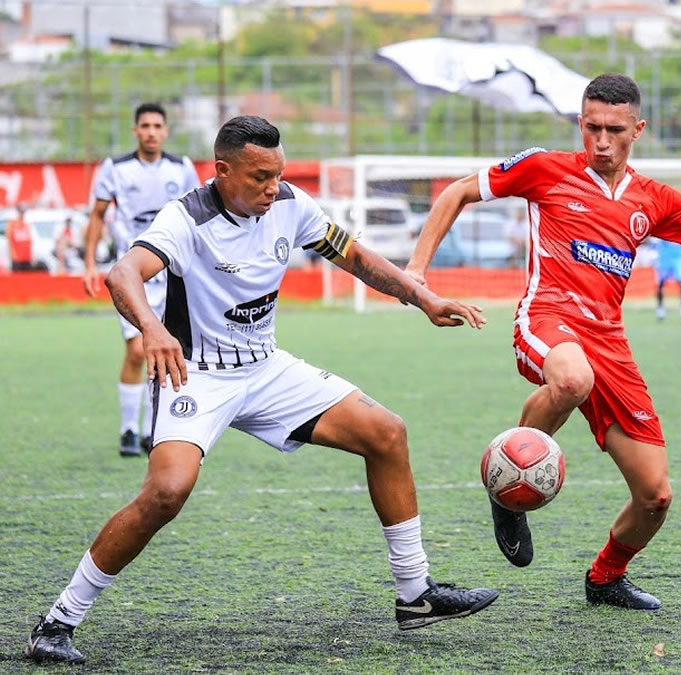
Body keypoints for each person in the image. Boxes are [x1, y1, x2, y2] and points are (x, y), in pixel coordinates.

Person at [25, 116, 498, 665]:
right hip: (196, 375)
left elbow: (358, 258)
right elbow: (124, 273)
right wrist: (153, 330)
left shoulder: (291, 204)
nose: (273, 188)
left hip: (266, 369)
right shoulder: (187, 217)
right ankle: (57, 621)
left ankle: (416, 595)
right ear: (222, 171)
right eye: (259, 177)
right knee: (166, 493)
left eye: (279, 174)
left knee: (386, 432)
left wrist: (423, 297)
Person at [405, 73, 681, 611]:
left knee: (655, 496)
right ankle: (509, 476)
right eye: (591, 127)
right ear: (580, 124)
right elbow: (457, 191)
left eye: (614, 130)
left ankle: (605, 578)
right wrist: (418, 270)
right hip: (548, 317)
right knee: (571, 378)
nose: (600, 141)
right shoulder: (543, 168)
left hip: (610, 343)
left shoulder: (655, 199)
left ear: (638, 129)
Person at [82, 103, 203, 457]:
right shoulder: (115, 169)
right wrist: (90, 263)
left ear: (166, 131)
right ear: (135, 130)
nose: (151, 131)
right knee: (138, 349)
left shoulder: (181, 169)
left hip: (173, 274)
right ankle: (128, 429)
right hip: (132, 274)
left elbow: (198, 219)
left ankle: (153, 429)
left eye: (157, 126)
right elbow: (98, 215)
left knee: (166, 349)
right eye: (145, 125)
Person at [652, 237, 681, 321]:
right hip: (664, 257)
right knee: (660, 283)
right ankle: (660, 309)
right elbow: (654, 241)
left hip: (678, 257)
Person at [7, 204, 34, 272]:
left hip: (26, 257)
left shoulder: (26, 224)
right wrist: (12, 253)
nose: (22, 214)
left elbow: (29, 241)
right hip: (17, 257)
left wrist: (31, 255)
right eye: (21, 212)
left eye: (23, 212)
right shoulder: (12, 224)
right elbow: (9, 239)